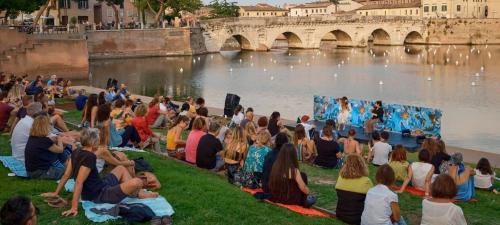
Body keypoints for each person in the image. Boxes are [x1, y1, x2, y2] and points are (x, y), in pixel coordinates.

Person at [44, 128, 158, 217]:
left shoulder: (76, 151)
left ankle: (137, 193)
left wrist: (56, 192)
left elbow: (66, 175)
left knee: (121, 169)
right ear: (93, 142)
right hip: (99, 195)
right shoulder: (90, 157)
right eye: (98, 140)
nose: (99, 142)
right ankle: (139, 194)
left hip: (101, 185)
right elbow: (79, 181)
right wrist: (74, 207)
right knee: (137, 182)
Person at [25, 114, 71, 180]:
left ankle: (68, 167)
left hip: (31, 171)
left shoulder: (33, 137)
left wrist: (56, 139)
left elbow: (49, 144)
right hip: (39, 173)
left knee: (58, 151)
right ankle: (69, 168)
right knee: (69, 173)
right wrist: (59, 139)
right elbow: (60, 150)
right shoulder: (44, 141)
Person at [335, 154, 373, 225]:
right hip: (358, 218)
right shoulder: (366, 181)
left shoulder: (340, 178)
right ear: (361, 165)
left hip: (340, 215)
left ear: (345, 165)